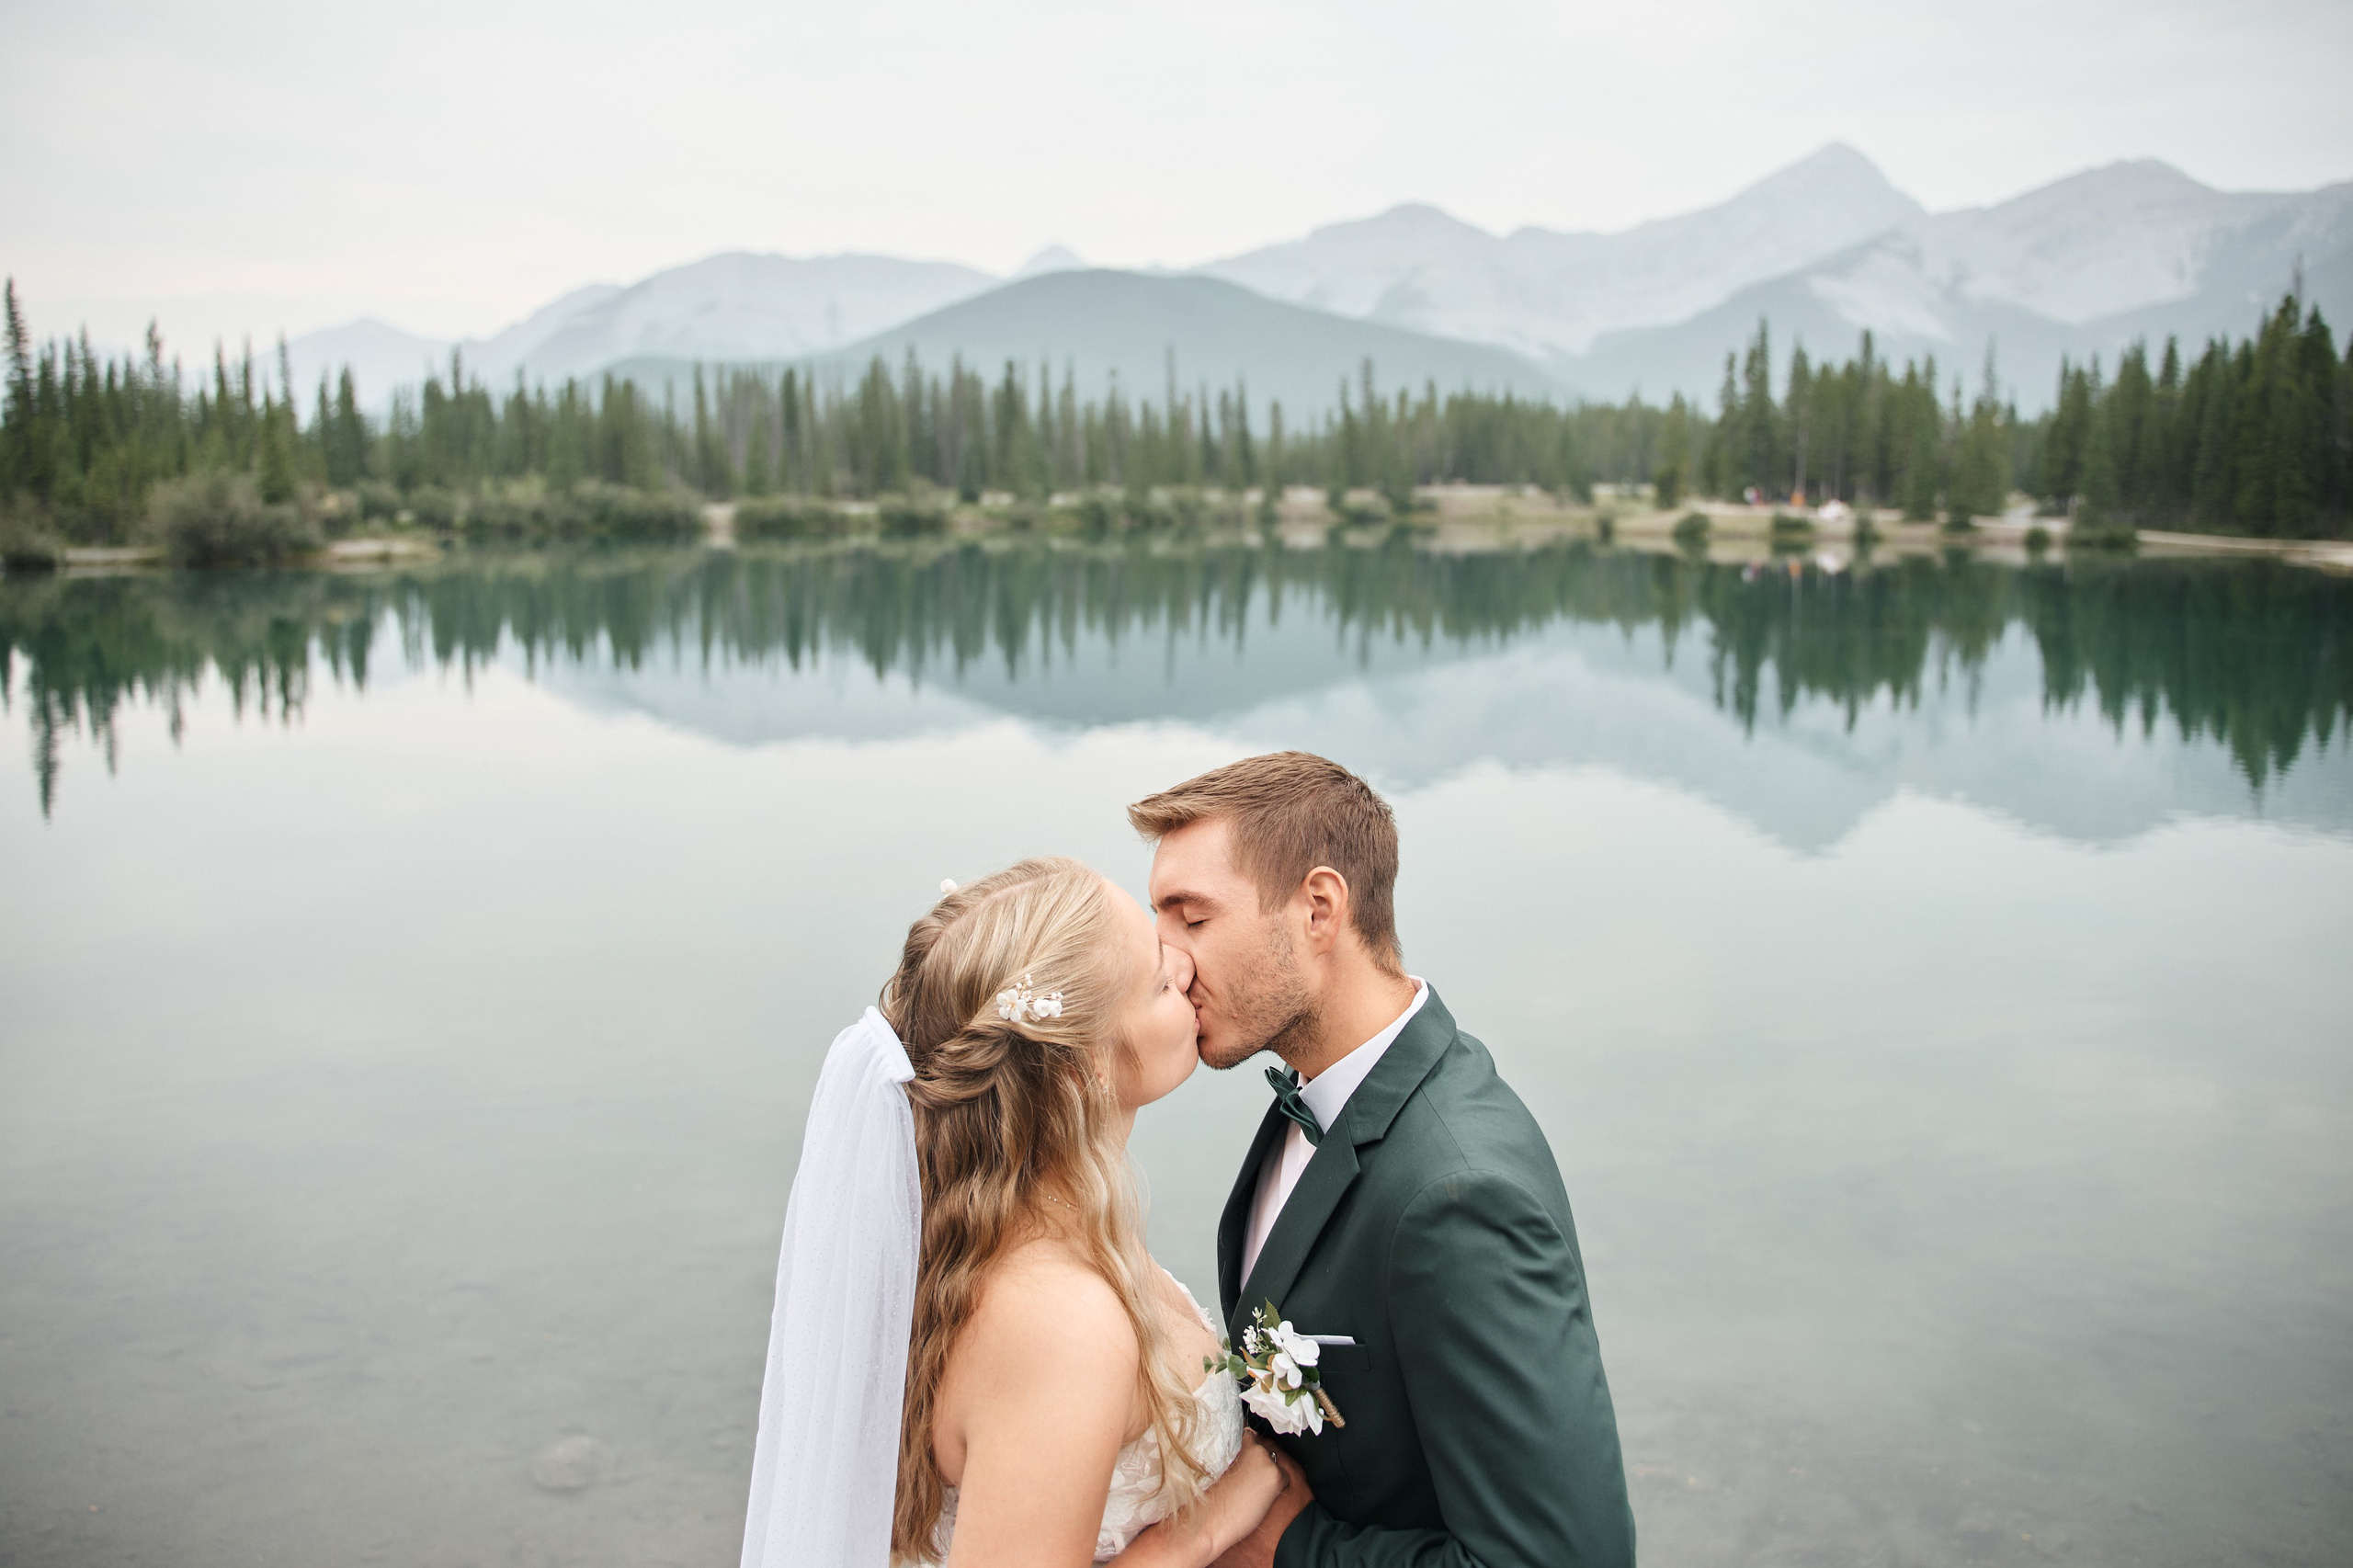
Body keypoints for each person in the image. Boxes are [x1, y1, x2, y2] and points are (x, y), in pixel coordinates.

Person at [1131, 752, 1636, 1568]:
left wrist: (1292, 1546)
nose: (1169, 962)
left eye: (1192, 920)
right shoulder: (1318, 1092)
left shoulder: (1460, 1194)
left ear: (1319, 910)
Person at [741, 857, 1294, 1567]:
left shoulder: (1009, 1230)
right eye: (1159, 980)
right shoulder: (1059, 1322)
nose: (1185, 966)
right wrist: (1204, 1530)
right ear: (1080, 1071)